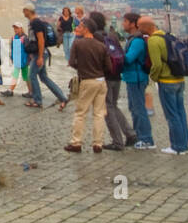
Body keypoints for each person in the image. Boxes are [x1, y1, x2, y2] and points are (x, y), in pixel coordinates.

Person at [143, 17, 188, 154]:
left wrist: (153, 79)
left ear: (146, 27)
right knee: (181, 113)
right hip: (179, 80)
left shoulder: (153, 40)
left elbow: (156, 65)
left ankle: (176, 146)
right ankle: (184, 144)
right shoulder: (169, 37)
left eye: (141, 27)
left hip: (167, 82)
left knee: (172, 115)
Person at [89, 11, 134, 151]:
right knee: (113, 105)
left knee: (107, 108)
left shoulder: (96, 38)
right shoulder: (111, 35)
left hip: (105, 76)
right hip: (116, 75)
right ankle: (130, 133)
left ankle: (117, 141)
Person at [65, 19, 109, 152]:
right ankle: (98, 143)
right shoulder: (101, 45)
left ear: (87, 28)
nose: (78, 28)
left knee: (80, 113)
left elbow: (72, 62)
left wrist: (82, 67)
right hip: (101, 81)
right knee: (99, 114)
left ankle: (76, 142)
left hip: (87, 80)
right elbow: (108, 66)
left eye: (80, 26)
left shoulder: (78, 43)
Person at [22, 6, 68, 110]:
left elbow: (41, 40)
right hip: (40, 53)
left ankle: (37, 100)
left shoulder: (36, 23)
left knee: (31, 75)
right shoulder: (35, 22)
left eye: (24, 11)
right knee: (44, 78)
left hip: (40, 53)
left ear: (28, 11)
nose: (23, 13)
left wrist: (40, 57)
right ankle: (62, 97)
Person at [121, 12, 154, 149]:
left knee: (139, 108)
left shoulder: (137, 41)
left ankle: (146, 139)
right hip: (132, 77)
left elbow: (129, 59)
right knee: (134, 108)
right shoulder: (133, 39)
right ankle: (139, 136)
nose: (123, 24)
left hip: (137, 78)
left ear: (133, 24)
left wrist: (117, 53)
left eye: (125, 21)